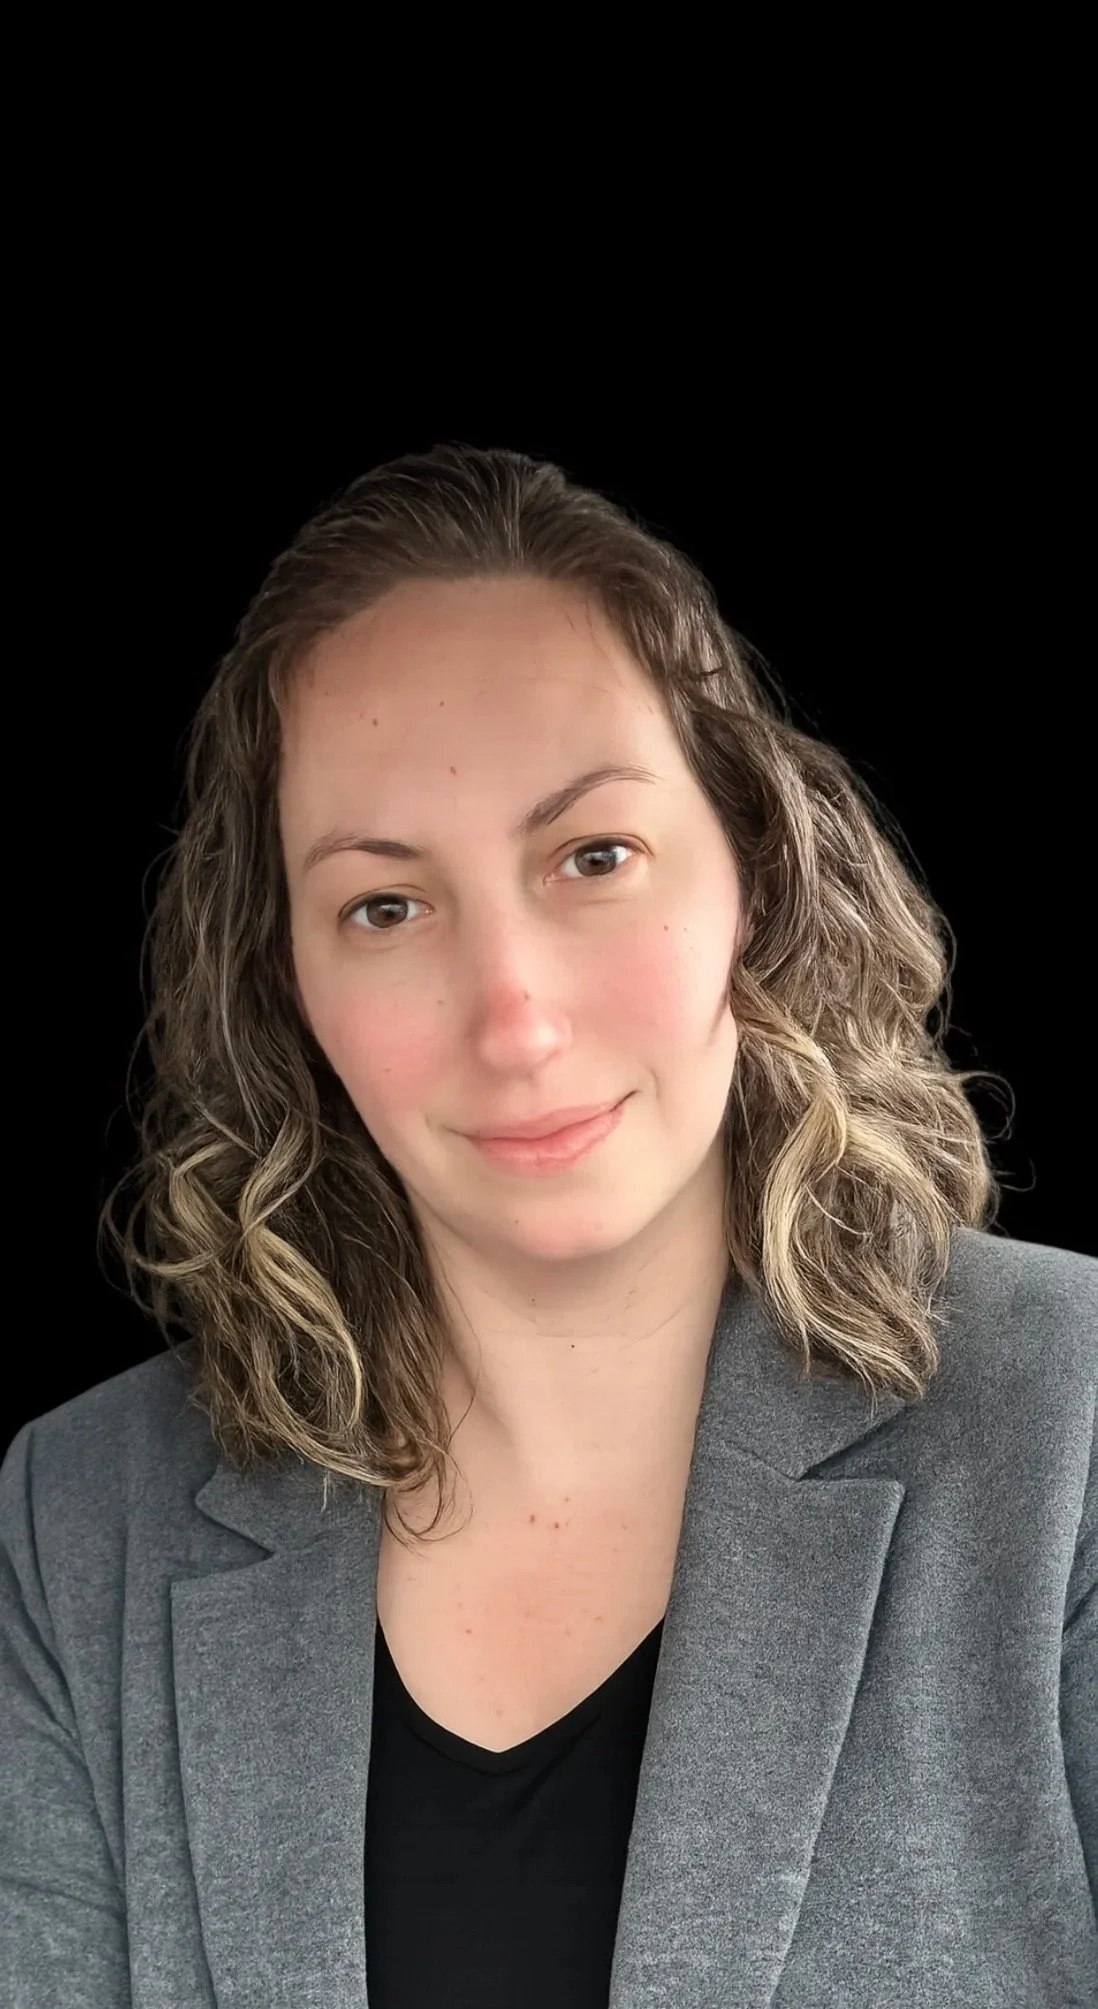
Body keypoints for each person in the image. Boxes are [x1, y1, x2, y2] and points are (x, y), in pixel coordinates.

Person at [1, 444, 1094, 2009]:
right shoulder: (75, 1523)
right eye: (386, 905)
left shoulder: (1073, 1424)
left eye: (593, 858)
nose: (511, 1019)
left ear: (755, 882)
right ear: (288, 990)